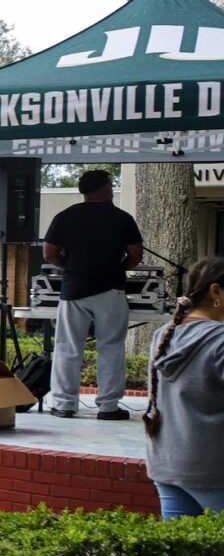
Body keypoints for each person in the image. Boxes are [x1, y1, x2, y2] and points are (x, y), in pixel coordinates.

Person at [42, 169, 145, 420]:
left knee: (67, 347)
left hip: (74, 289)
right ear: (102, 188)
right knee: (110, 348)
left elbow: (48, 252)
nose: (112, 189)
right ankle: (108, 406)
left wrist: (69, 266)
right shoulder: (121, 218)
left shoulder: (65, 216)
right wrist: (119, 267)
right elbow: (136, 254)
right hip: (111, 289)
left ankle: (64, 404)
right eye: (110, 185)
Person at [144, 257, 224, 518]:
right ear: (216, 292)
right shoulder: (219, 339)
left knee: (182, 553)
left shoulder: (163, 334)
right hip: (213, 469)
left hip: (167, 464)